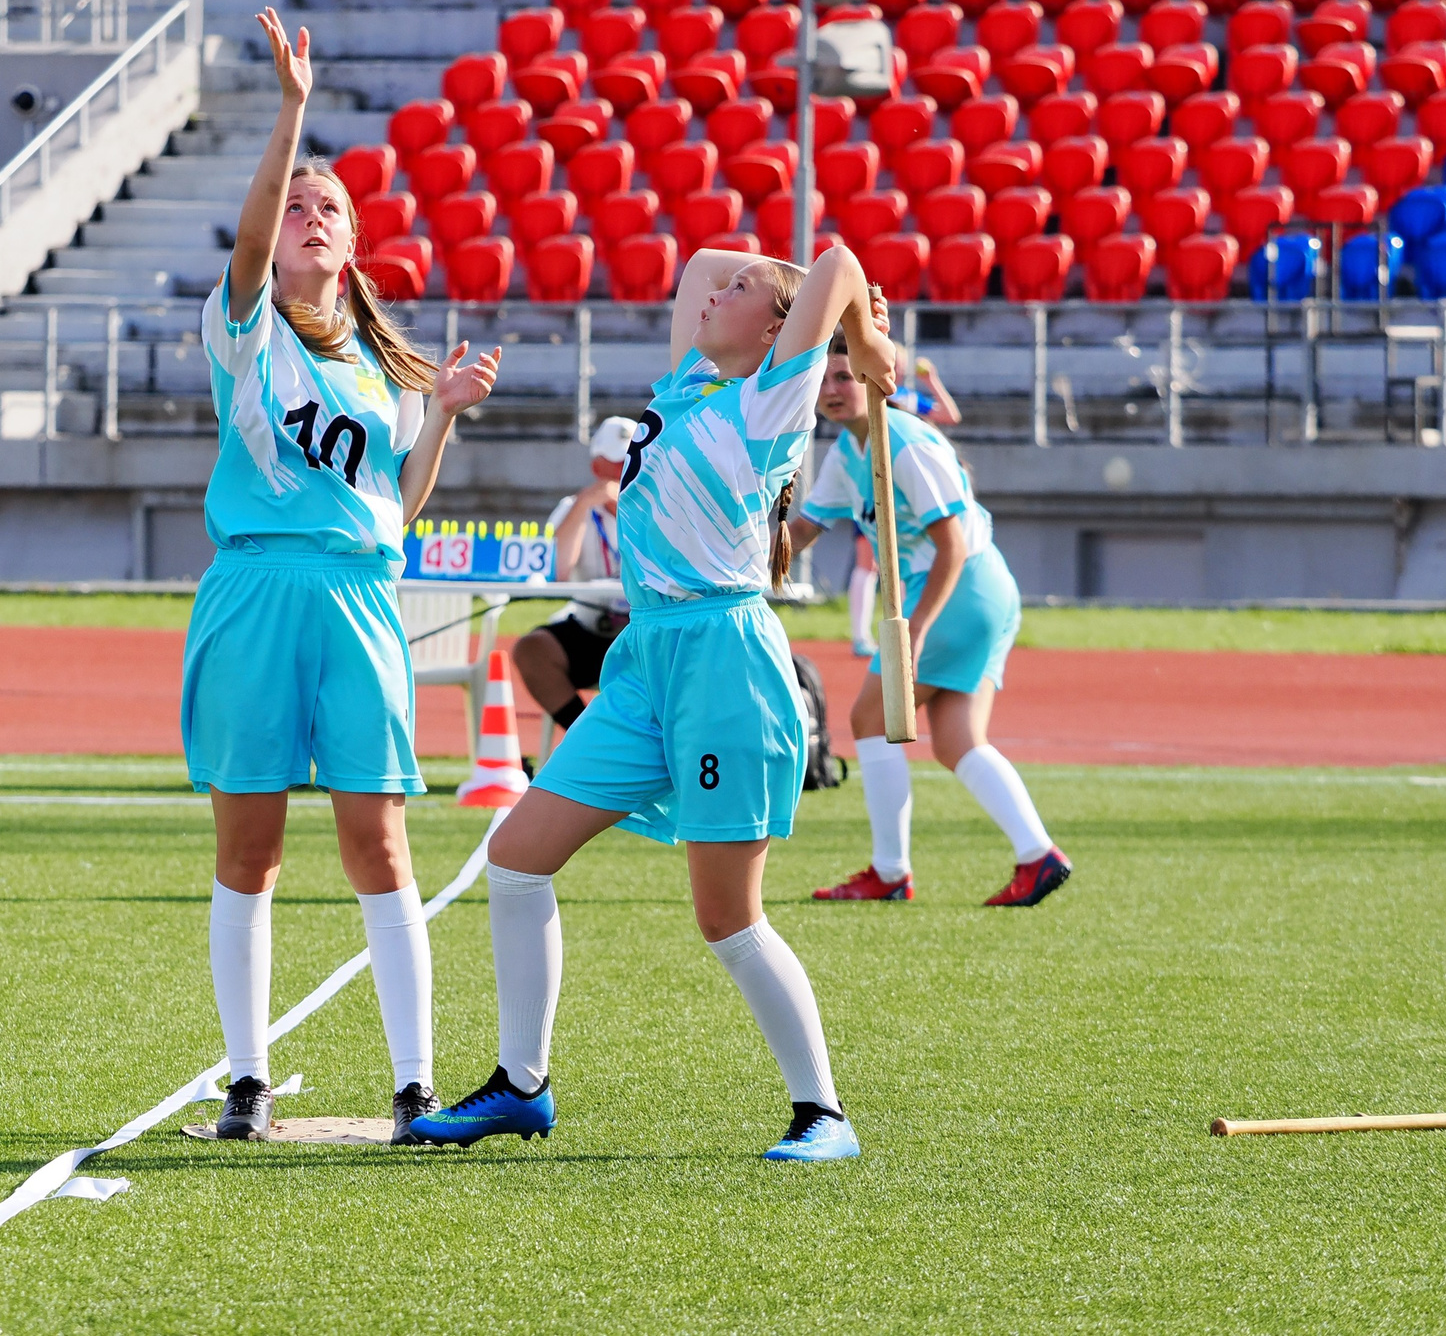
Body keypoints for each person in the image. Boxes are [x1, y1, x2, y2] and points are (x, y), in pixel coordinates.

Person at [409, 239, 893, 1164]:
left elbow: (833, 261)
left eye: (746, 292)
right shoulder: (684, 386)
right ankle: (522, 1085)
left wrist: (859, 338)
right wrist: (782, 293)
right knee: (514, 857)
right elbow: (705, 259)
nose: (721, 290)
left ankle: (823, 1113)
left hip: (725, 664)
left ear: (779, 330)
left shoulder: (773, 398)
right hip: (645, 661)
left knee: (727, 916)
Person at [186, 8, 501, 1145]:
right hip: (256, 593)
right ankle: (244, 1079)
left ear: (359, 243)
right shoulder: (242, 331)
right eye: (300, 206)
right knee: (250, 845)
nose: (311, 217)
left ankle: (414, 1081)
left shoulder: (388, 369)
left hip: (359, 598)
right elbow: (258, 225)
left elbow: (395, 511)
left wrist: (445, 423)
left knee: (379, 838)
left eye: (334, 209)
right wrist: (291, 113)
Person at [793, 346, 1072, 908]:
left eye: (845, 376)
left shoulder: (904, 441)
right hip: (973, 590)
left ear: (876, 378)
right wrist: (744, 559)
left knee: (868, 718)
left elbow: (953, 544)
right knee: (956, 741)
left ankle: (891, 872)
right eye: (822, 378)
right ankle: (1037, 856)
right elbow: (805, 528)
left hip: (958, 588)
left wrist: (915, 631)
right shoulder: (848, 448)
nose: (831, 389)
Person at [509, 415, 636, 745]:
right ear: (597, 469)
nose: (625, 471)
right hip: (590, 626)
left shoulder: (657, 508)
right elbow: (558, 572)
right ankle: (591, 740)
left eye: (632, 461)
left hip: (642, 629)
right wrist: (584, 504)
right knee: (531, 650)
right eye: (616, 463)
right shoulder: (573, 508)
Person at [846, 357, 958, 655]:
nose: (901, 368)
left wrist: (931, 380)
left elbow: (949, 415)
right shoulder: (873, 391)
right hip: (874, 479)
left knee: (901, 562)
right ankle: (859, 636)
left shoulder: (906, 397)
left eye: (903, 364)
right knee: (867, 561)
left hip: (905, 487)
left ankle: (901, 630)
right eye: (896, 362)